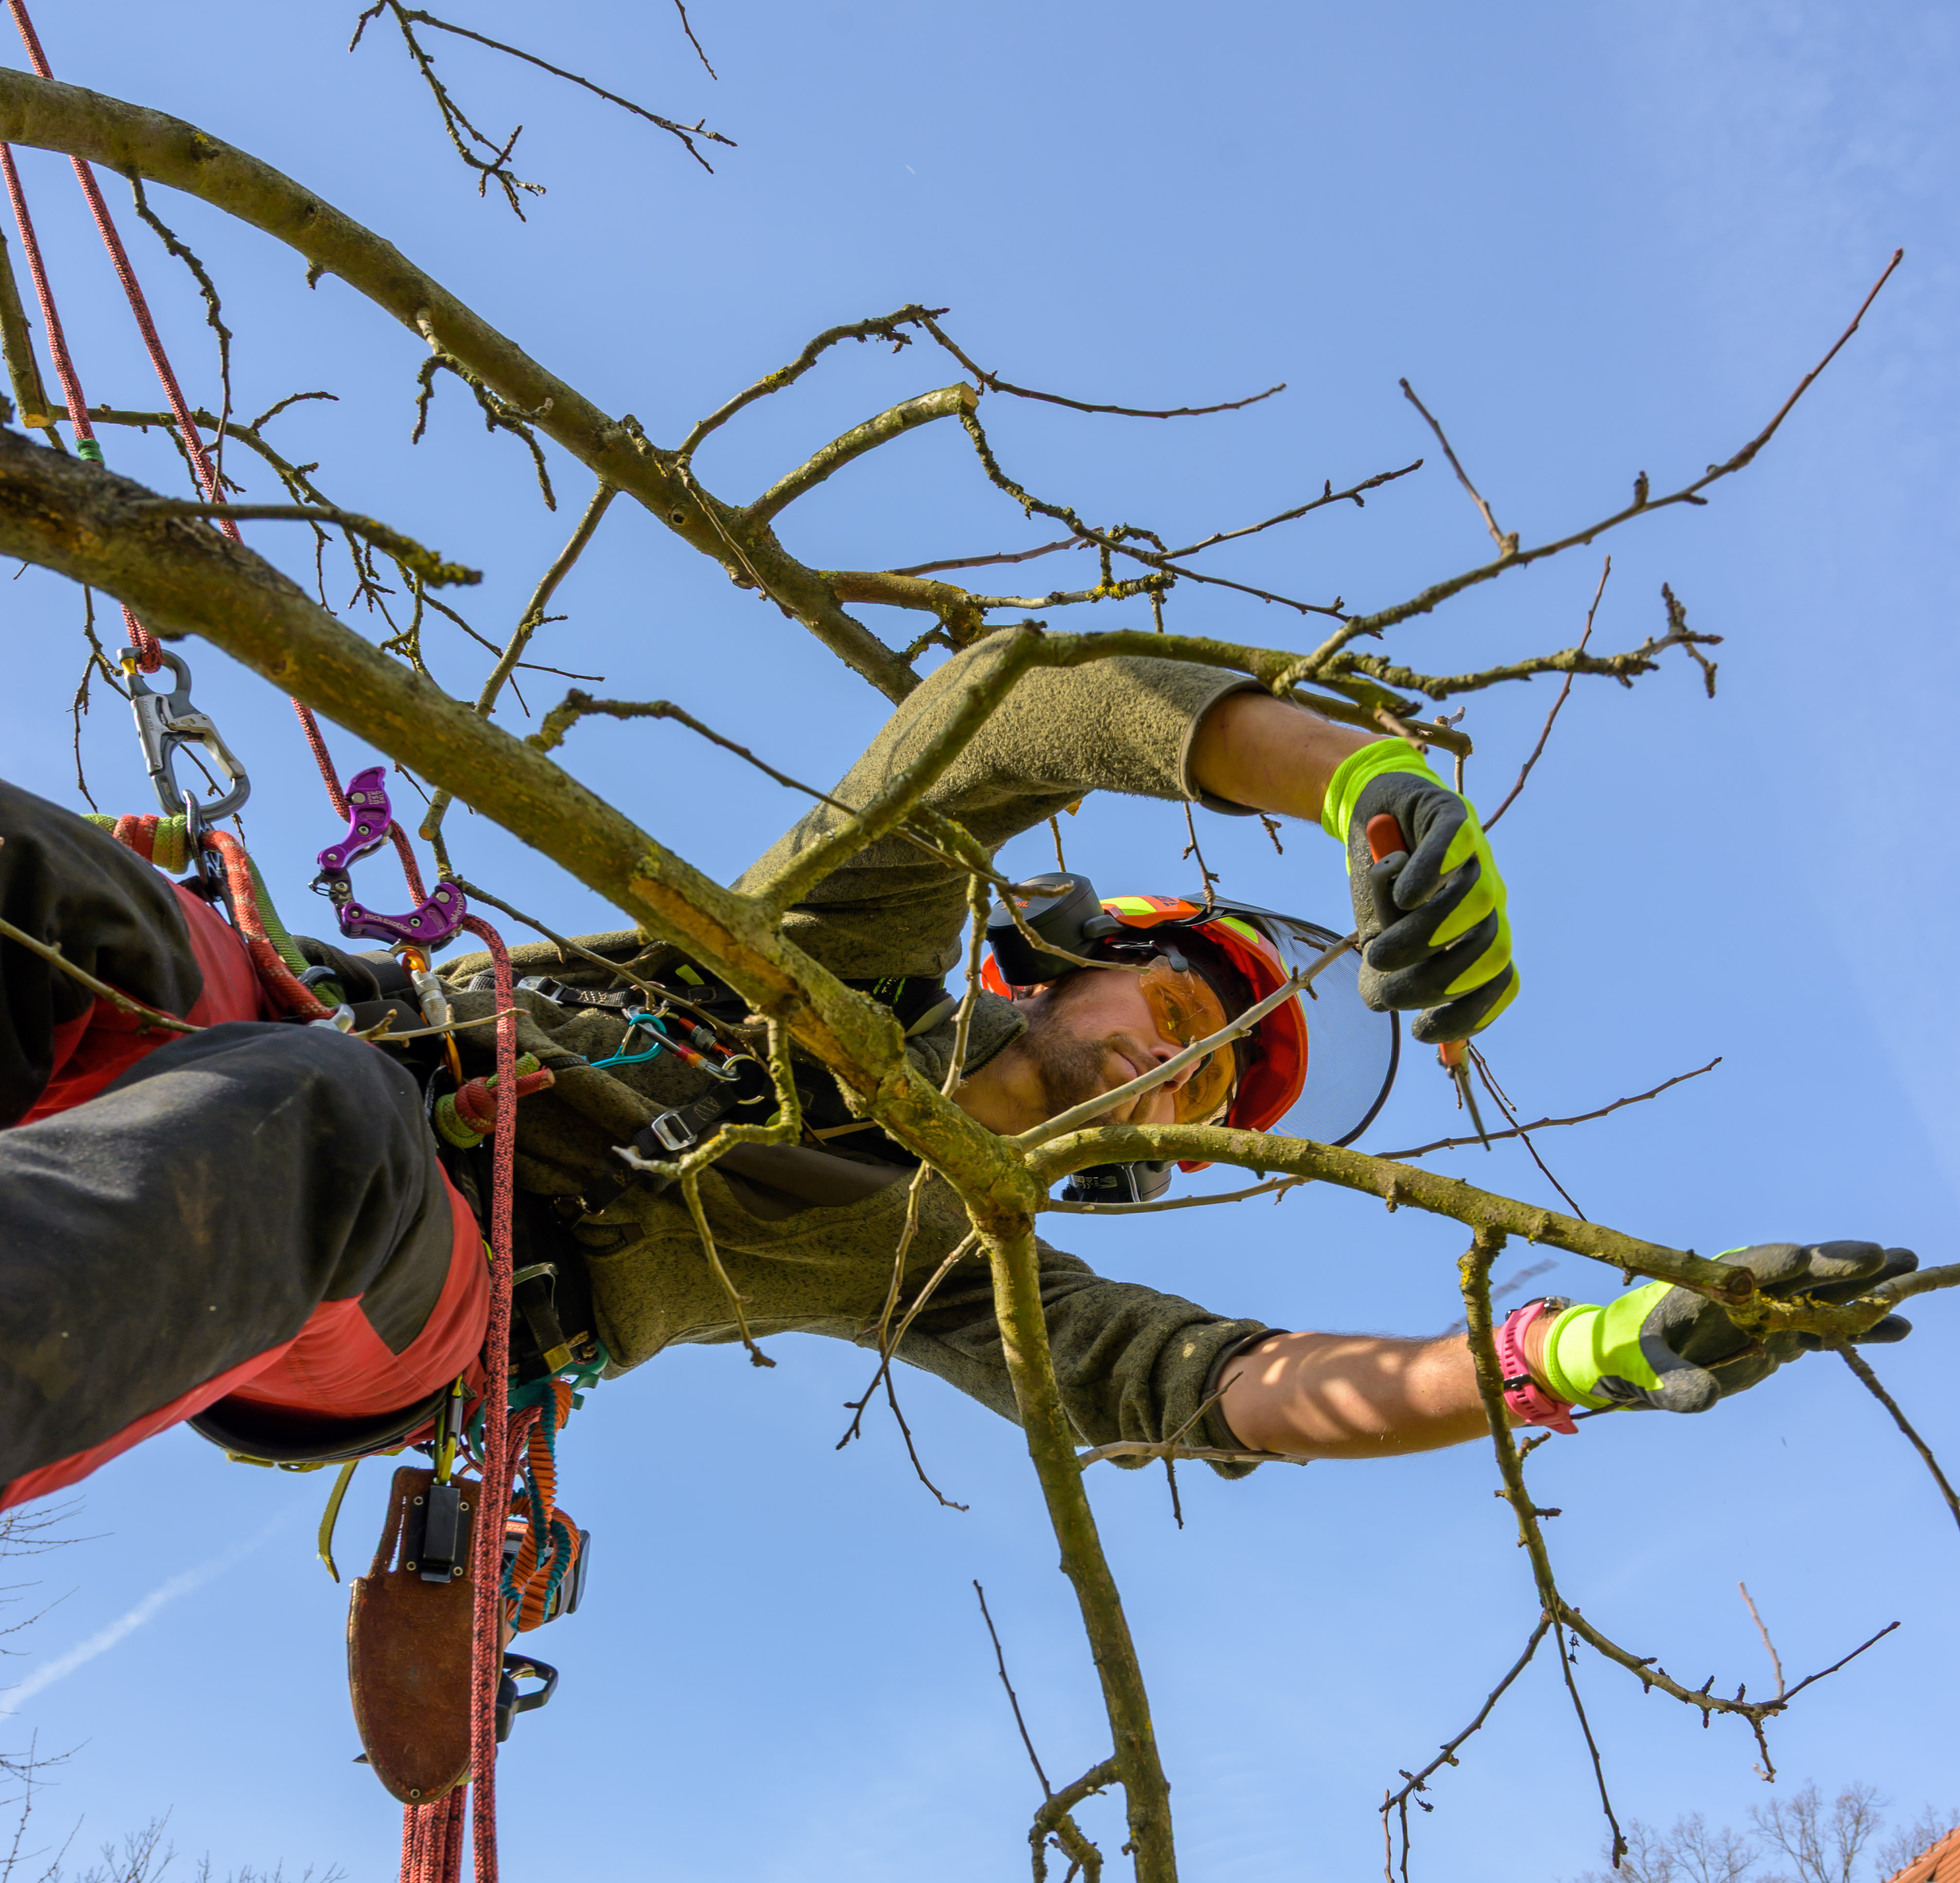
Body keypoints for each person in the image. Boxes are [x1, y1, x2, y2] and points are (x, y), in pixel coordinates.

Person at [0, 645, 1913, 1512]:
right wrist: (1362, 777)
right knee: (58, 892)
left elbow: (1228, 1387)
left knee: (310, 1133)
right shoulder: (849, 952)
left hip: (417, 1276)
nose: (1196, 1066)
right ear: (1072, 959)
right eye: (1190, 1013)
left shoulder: (947, 1254)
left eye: (1219, 1093)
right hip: (299, 1010)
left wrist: (1574, 1357)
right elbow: (1000, 718)